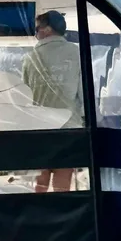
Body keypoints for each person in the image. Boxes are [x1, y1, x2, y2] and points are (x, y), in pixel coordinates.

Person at [22, 10, 83, 193]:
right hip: (68, 127)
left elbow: (24, 94)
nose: (35, 33)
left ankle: (39, 215)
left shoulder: (29, 58)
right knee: (63, 180)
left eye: (37, 29)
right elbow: (84, 92)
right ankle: (61, 216)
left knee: (40, 181)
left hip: (39, 128)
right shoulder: (76, 53)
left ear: (47, 29)